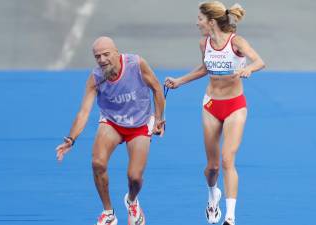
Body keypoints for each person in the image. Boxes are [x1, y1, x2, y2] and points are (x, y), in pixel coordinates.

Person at [165, 1, 265, 225]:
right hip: (211, 105)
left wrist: (249, 67)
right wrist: (179, 81)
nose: (197, 23)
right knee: (212, 167)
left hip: (235, 105)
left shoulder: (236, 42)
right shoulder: (204, 44)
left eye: (200, 19)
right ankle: (213, 195)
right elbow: (204, 69)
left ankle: (230, 217)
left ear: (211, 22)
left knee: (228, 158)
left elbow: (260, 61)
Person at [55, 36, 165, 225]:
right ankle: (108, 212)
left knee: (135, 177)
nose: (102, 60)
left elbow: (156, 88)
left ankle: (132, 201)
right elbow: (84, 112)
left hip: (140, 124)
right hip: (112, 122)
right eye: (98, 56)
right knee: (97, 163)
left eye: (106, 54)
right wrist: (70, 139)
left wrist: (159, 119)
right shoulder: (96, 78)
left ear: (116, 53)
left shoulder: (136, 64)